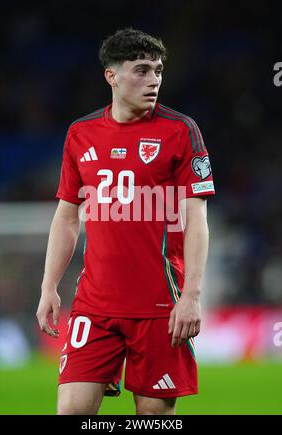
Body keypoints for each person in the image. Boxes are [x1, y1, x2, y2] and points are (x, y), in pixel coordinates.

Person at [36, 27, 215, 415]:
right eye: (141, 70)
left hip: (160, 306)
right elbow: (67, 216)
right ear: (111, 76)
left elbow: (196, 216)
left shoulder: (181, 131)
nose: (153, 80)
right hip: (94, 305)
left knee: (153, 417)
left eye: (158, 71)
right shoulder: (80, 134)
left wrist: (192, 296)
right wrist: (49, 286)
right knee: (71, 411)